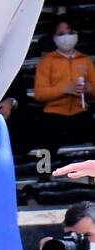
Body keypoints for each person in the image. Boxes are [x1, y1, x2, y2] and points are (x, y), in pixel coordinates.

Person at [34, 18, 95, 158]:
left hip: (80, 111)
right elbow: (39, 94)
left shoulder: (85, 60)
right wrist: (63, 89)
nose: (66, 36)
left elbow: (93, 90)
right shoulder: (47, 61)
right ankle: (44, 173)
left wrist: (89, 88)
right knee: (46, 142)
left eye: (70, 32)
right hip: (53, 114)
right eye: (61, 33)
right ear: (54, 38)